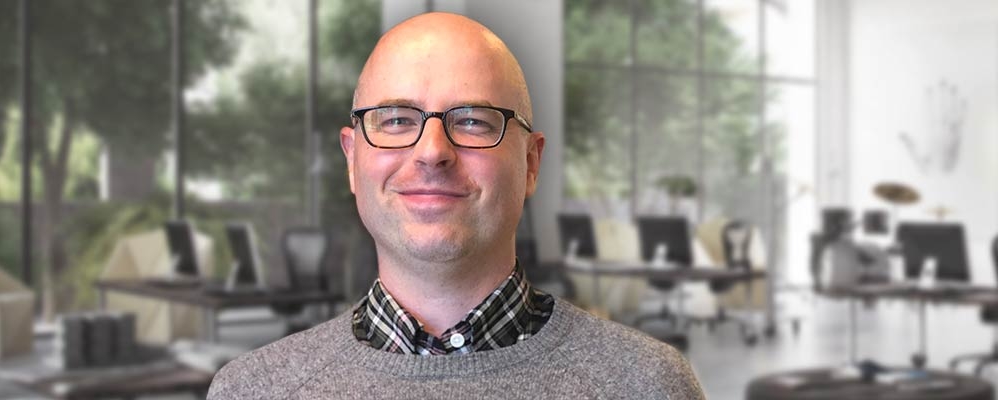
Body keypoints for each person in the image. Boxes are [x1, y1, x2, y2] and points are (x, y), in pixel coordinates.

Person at [208, 12, 704, 399]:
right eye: (397, 120)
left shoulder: (649, 385)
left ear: (530, 163)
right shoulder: (252, 390)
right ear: (354, 159)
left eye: (472, 121)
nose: (432, 152)